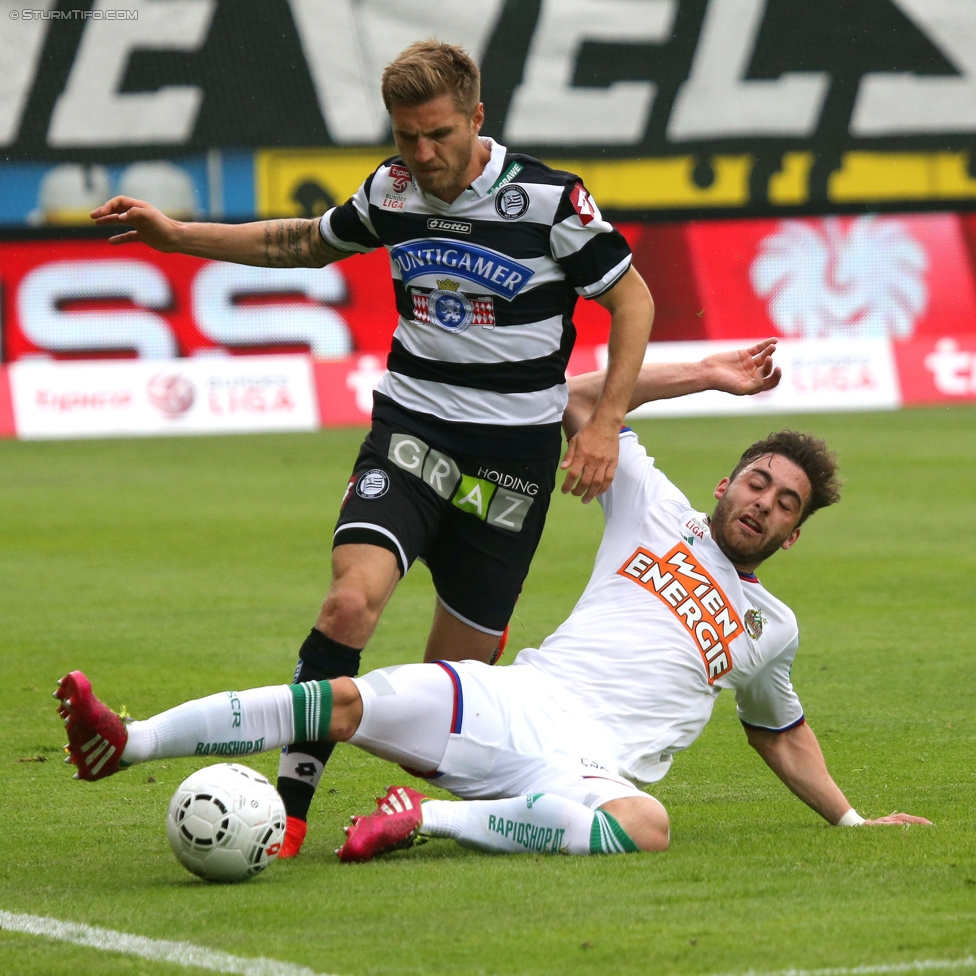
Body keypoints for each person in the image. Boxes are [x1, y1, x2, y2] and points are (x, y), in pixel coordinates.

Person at [89, 40, 654, 856]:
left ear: (477, 119)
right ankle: (289, 811)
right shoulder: (391, 189)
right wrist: (175, 235)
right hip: (413, 433)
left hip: (511, 469)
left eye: (439, 135)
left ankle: (436, 807)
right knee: (349, 604)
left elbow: (633, 302)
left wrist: (603, 425)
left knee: (449, 710)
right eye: (405, 137)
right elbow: (303, 243)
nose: (422, 156)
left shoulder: (550, 202)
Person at [54, 341, 930, 859]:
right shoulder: (656, 506)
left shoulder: (772, 628)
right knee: (343, 701)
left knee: (647, 824)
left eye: (785, 505)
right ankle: (126, 742)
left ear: (794, 534)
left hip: (583, 767)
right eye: (757, 483)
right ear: (726, 482)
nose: (762, 504)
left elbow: (781, 731)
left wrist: (852, 820)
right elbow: (581, 398)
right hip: (520, 695)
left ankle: (424, 821)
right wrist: (708, 374)